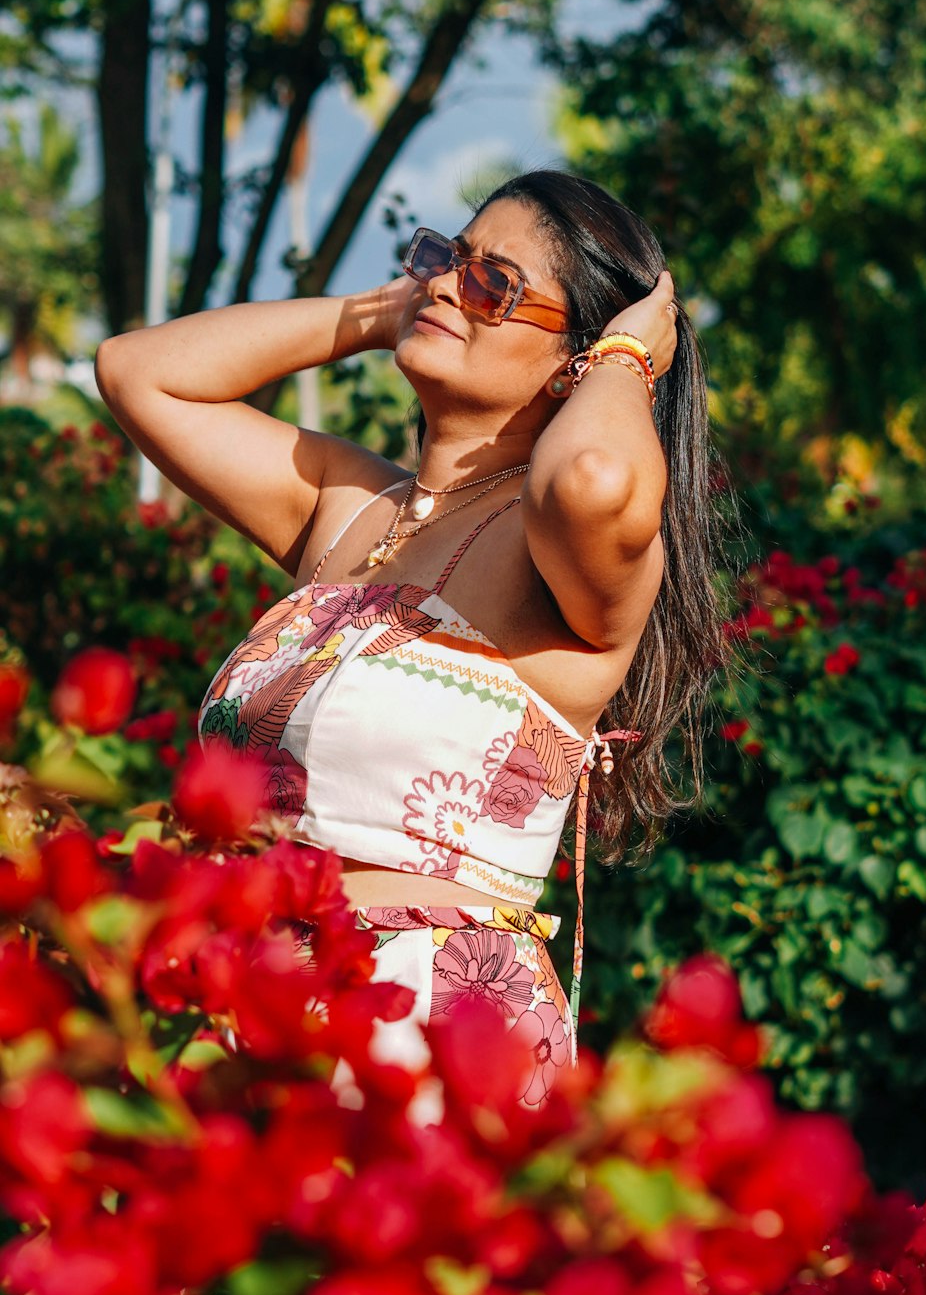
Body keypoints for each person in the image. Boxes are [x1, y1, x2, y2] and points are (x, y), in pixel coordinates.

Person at [95, 169, 730, 1111]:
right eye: (445, 258)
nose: (445, 285)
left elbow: (593, 473)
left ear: (577, 358)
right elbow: (135, 370)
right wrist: (387, 309)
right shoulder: (349, 506)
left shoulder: (561, 547)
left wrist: (631, 356)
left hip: (429, 1042)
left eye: (494, 284)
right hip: (248, 1009)